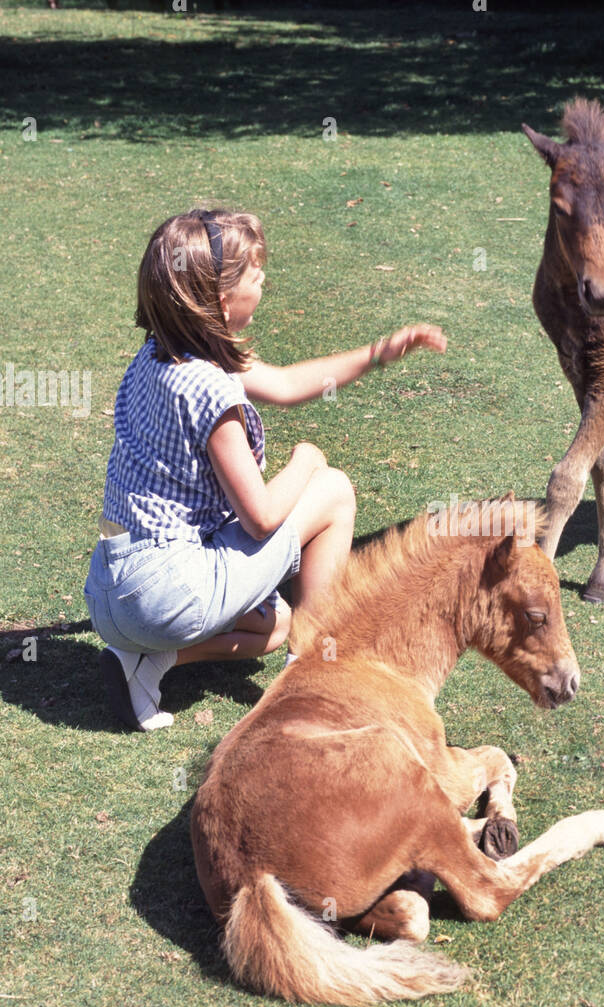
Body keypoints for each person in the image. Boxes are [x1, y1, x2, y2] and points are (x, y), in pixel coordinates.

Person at [84, 207, 445, 731]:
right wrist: (307, 459)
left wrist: (378, 354)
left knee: (274, 624)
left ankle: (150, 661)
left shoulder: (161, 356)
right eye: (256, 275)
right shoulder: (211, 390)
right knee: (333, 491)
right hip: (165, 591)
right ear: (224, 299)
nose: (264, 282)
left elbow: (287, 385)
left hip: (111, 594)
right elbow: (260, 518)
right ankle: (315, 677)